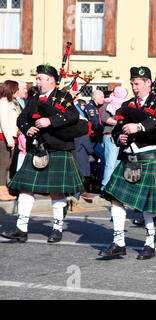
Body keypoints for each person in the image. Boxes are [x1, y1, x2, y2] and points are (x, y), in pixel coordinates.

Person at [0, 64, 85, 243]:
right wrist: (27, 128)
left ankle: (57, 228)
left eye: (40, 78)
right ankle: (21, 229)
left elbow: (73, 117)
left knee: (57, 192)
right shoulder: (33, 99)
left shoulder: (64, 97)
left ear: (51, 80)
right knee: (25, 189)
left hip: (57, 148)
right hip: (36, 149)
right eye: (37, 78)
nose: (37, 81)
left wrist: (50, 121)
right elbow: (21, 118)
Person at [99, 66, 156, 260]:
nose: (134, 87)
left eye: (138, 83)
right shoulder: (127, 104)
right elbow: (117, 127)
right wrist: (120, 138)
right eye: (132, 83)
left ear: (148, 83)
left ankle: (149, 244)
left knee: (147, 204)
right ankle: (118, 242)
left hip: (148, 157)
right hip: (128, 158)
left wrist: (139, 126)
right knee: (115, 198)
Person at [100, 86, 128, 190]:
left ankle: (114, 188)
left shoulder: (125, 105)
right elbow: (105, 119)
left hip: (122, 137)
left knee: (118, 164)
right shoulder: (107, 104)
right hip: (110, 135)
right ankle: (105, 187)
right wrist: (120, 123)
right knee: (110, 164)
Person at [0, 81, 21, 201]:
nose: (17, 91)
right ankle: (1, 190)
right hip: (3, 137)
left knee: (7, 165)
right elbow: (4, 122)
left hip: (11, 137)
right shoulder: (3, 102)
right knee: (3, 165)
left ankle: (3, 189)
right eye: (16, 89)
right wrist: (9, 140)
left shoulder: (10, 102)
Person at [85, 89, 105, 189]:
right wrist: (102, 130)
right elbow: (95, 123)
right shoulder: (90, 107)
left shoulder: (97, 107)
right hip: (92, 139)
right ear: (94, 97)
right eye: (101, 97)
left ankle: (93, 182)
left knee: (94, 162)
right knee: (103, 158)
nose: (103, 99)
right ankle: (97, 181)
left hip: (96, 139)